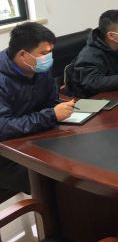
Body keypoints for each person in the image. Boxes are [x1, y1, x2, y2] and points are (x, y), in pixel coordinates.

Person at [0, 23, 75, 196]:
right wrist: (51, 115)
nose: (48, 58)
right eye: (44, 53)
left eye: (51, 51)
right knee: (54, 184)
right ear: (22, 54)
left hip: (32, 137)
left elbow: (51, 101)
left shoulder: (38, 68)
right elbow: (3, 127)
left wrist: (60, 110)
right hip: (5, 153)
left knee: (77, 160)